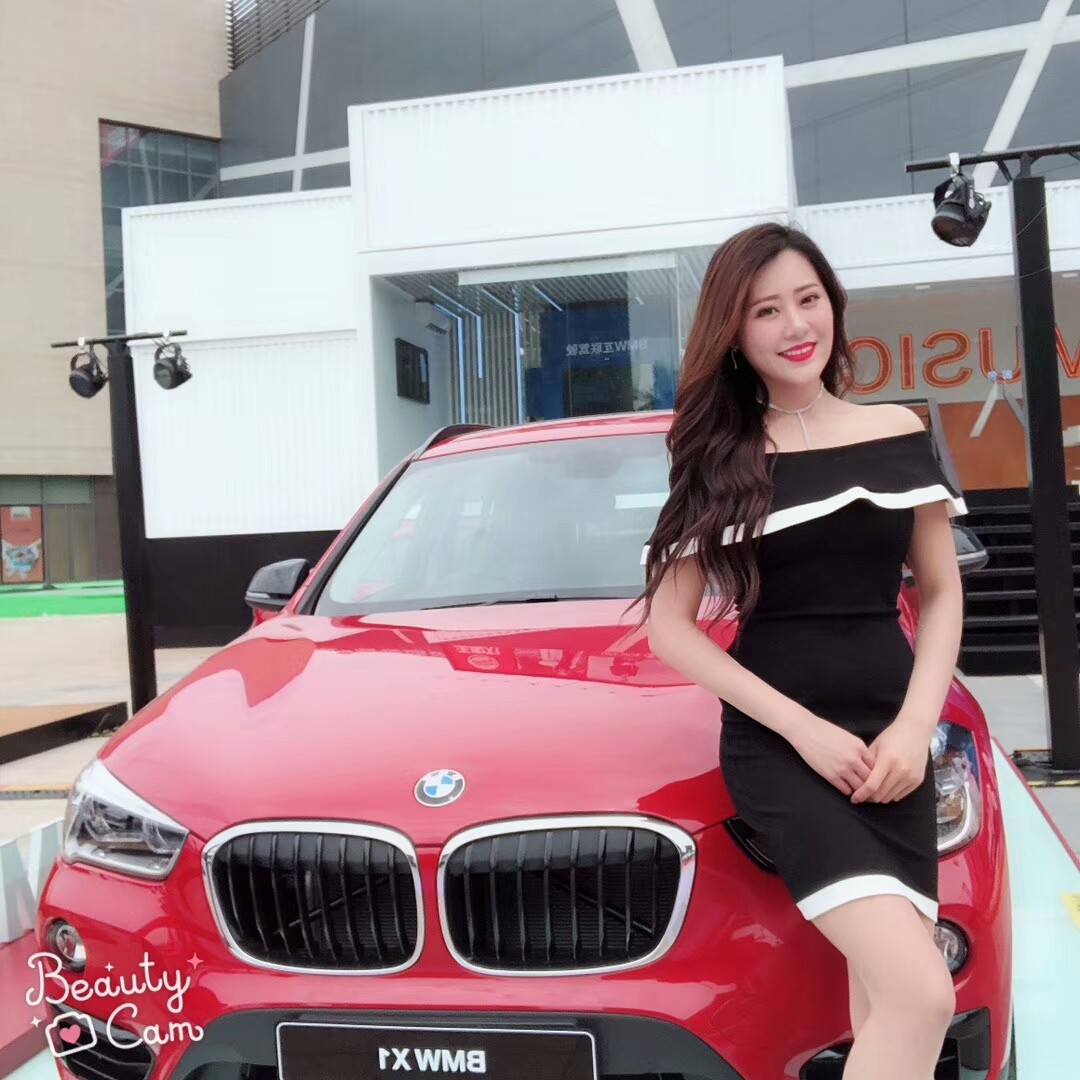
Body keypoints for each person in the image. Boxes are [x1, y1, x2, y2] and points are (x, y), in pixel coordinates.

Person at [629, 222, 967, 1079]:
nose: (795, 325)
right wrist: (803, 731)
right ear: (735, 333)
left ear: (833, 304)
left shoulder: (896, 427)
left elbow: (939, 591)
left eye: (808, 299)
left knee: (883, 1006)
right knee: (922, 996)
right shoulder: (720, 457)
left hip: (893, 749)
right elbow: (670, 627)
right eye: (766, 310)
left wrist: (915, 729)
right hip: (786, 751)